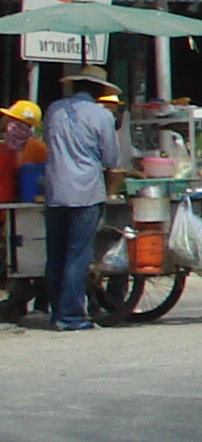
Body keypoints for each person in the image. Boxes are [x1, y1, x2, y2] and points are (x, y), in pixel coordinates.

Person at [39, 69, 123, 330]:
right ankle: (71, 316)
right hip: (85, 192)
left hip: (55, 191)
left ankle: (56, 312)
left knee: (56, 255)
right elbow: (110, 159)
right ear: (98, 90)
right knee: (77, 255)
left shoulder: (53, 110)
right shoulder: (102, 115)